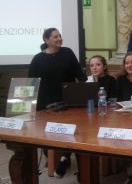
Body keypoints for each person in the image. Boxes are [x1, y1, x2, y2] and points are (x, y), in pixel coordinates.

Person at [28, 27, 86, 179]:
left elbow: (80, 75)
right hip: (45, 105)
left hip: (68, 102)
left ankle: (65, 158)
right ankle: (55, 157)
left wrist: (88, 93)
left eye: (60, 36)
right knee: (48, 135)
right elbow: (31, 84)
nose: (59, 38)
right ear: (46, 40)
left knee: (72, 132)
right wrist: (30, 106)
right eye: (55, 37)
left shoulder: (67, 52)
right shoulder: (37, 59)